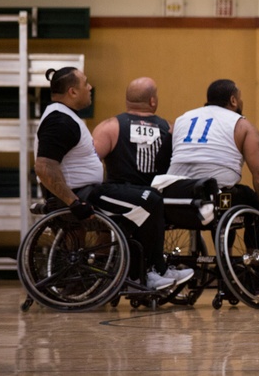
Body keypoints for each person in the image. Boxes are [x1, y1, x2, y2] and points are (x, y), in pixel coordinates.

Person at [33, 67, 192, 291]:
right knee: (151, 199)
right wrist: (73, 202)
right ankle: (150, 273)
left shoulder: (66, 117)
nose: (90, 88)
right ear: (72, 91)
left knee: (144, 204)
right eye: (85, 84)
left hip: (88, 191)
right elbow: (44, 166)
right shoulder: (60, 121)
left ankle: (140, 270)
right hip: (84, 194)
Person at [166, 79, 259, 231]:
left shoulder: (180, 120)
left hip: (175, 196)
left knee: (222, 200)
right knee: (251, 201)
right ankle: (253, 253)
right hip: (215, 196)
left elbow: (163, 158)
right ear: (233, 100)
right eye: (240, 98)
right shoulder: (242, 124)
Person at [92, 77, 172, 185]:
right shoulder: (170, 128)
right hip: (156, 195)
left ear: (127, 100)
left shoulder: (109, 127)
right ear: (152, 101)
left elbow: (88, 163)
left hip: (118, 197)